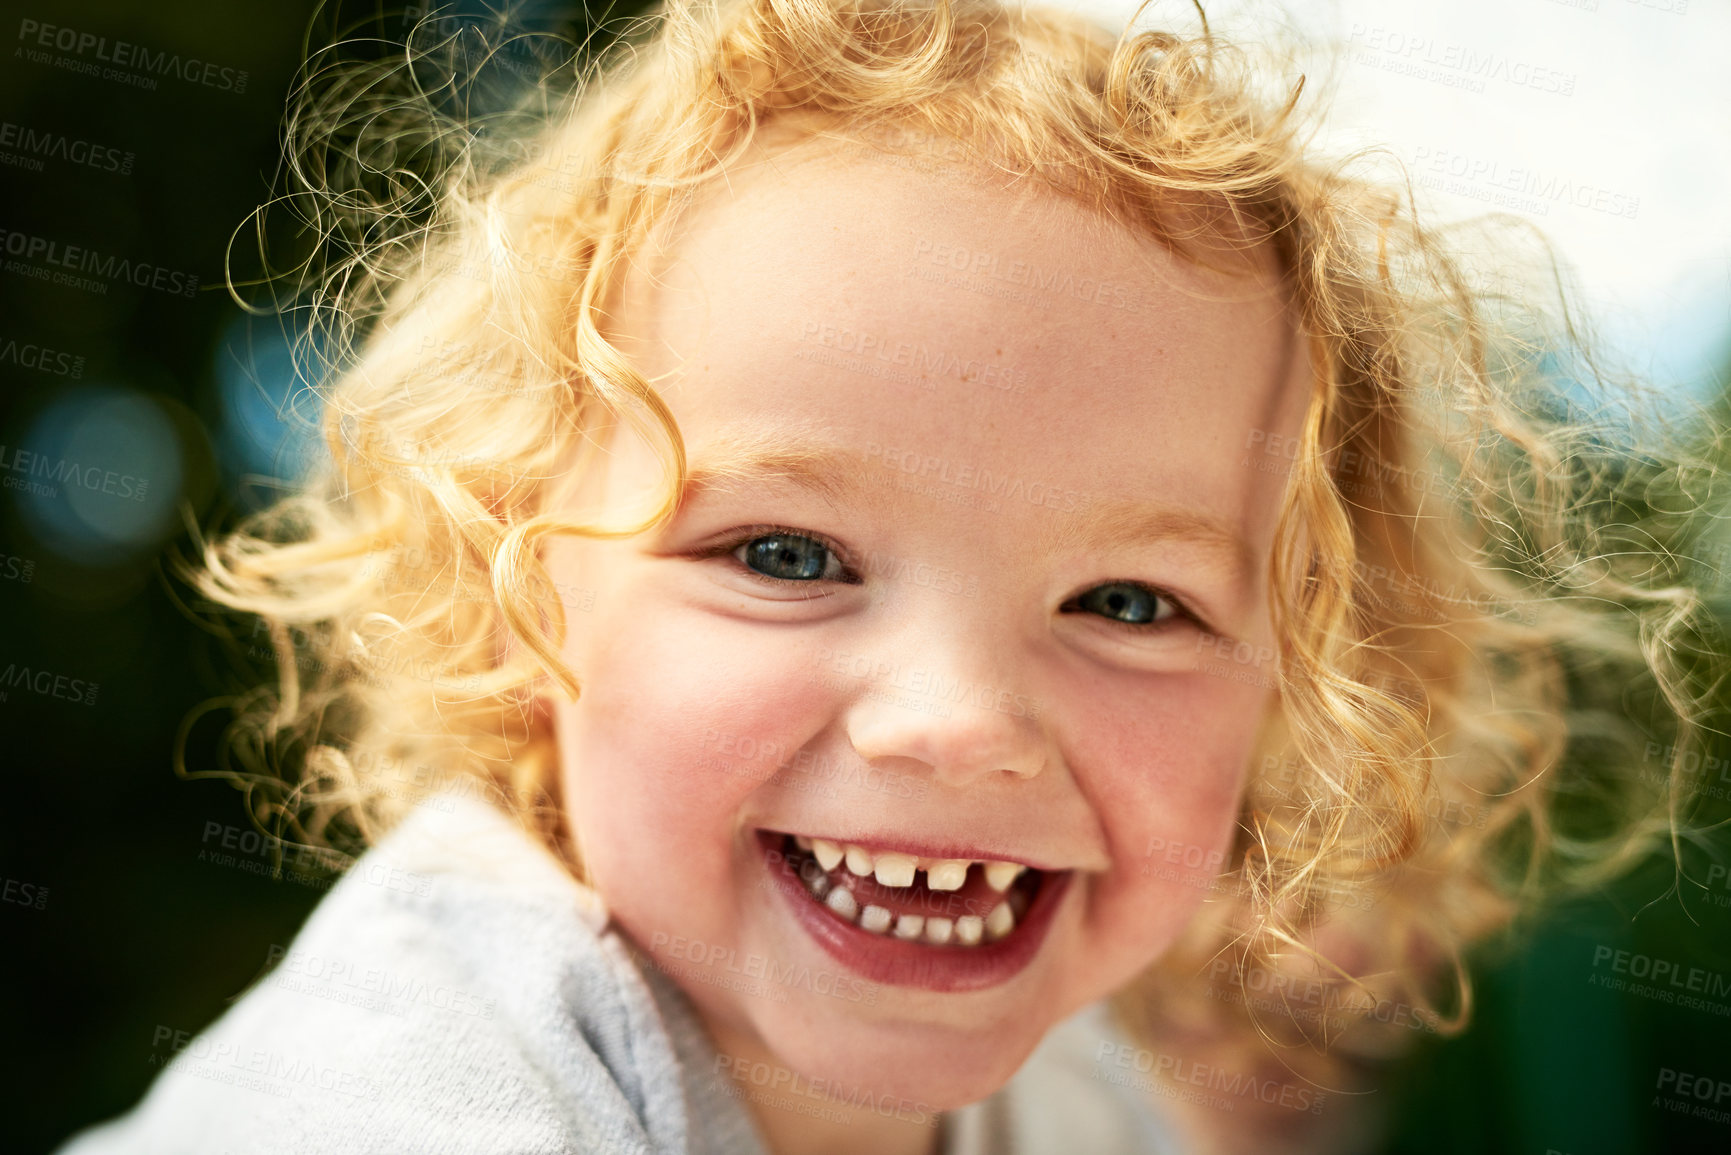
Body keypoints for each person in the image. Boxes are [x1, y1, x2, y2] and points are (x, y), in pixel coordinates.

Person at [56, 0, 1719, 1152]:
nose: (959, 722)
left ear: (1301, 690)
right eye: (787, 555)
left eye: (1132, 603)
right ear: (517, 602)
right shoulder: (429, 1090)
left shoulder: (1072, 1102)